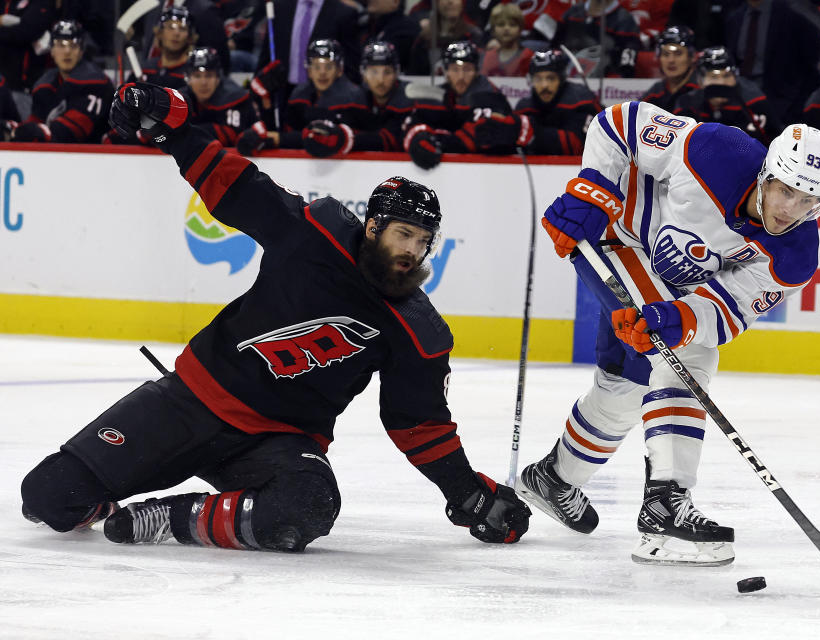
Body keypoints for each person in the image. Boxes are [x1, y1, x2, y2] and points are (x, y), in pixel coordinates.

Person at [20, 80, 532, 553]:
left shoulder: (416, 329)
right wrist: (172, 128)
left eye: (423, 243)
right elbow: (237, 188)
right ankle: (115, 486)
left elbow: (419, 425)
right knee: (48, 497)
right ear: (374, 226)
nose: (413, 251)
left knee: (308, 505)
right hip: (190, 401)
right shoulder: (315, 234)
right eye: (404, 235)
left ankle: (173, 518)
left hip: (277, 442)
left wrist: (472, 496)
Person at [517, 102, 820, 566]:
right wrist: (593, 191)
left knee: (629, 385)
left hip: (665, 281)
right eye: (787, 191)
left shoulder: (795, 255)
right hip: (612, 233)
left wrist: (682, 318)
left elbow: (728, 309)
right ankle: (665, 508)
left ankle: (554, 478)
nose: (793, 210)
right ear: (766, 174)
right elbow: (619, 123)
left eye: (810, 201)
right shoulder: (714, 150)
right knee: (686, 359)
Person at [403, 41, 531, 170]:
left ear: (476, 71)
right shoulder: (440, 95)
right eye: (455, 69)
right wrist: (417, 139)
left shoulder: (489, 95)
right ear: (446, 71)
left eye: (467, 69)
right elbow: (412, 125)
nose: (461, 77)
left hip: (493, 170)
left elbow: (477, 138)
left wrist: (437, 141)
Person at [238, 39, 367, 154]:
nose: (322, 73)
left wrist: (281, 139)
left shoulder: (353, 97)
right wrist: (265, 102)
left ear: (339, 70)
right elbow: (286, 130)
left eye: (328, 66)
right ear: (309, 70)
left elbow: (327, 138)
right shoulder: (299, 94)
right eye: (317, 67)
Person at [299, 41, 423, 157]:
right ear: (363, 73)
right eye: (374, 72)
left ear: (397, 73)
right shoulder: (352, 98)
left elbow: (392, 140)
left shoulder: (408, 97)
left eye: (387, 72)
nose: (380, 80)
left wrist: (344, 138)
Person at [12, 20, 113, 144]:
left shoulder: (96, 83)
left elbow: (69, 133)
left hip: (99, 157)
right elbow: (34, 122)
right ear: (52, 51)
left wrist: (33, 131)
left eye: (73, 45)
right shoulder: (44, 85)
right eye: (61, 45)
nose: (67, 51)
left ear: (81, 51)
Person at [675, 45, 782, 145]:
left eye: (726, 75)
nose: (721, 83)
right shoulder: (686, 104)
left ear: (736, 77)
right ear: (700, 80)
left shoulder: (755, 101)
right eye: (714, 77)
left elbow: (776, 142)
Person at [513, 49, 602, 155]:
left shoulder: (581, 101)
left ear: (561, 79)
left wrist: (528, 132)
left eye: (550, 78)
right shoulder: (525, 107)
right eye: (538, 79)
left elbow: (575, 146)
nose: (544, 85)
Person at [182, 47, 259, 147]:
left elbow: (231, 136)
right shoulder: (179, 99)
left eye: (209, 76)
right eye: (197, 76)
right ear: (188, 78)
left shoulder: (235, 98)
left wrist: (184, 133)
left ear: (218, 78)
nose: (203, 82)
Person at [640, 25, 699, 114]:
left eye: (678, 53)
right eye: (666, 54)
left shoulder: (701, 90)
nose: (671, 60)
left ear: (693, 57)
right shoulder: (656, 92)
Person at [135, 6, 197, 89]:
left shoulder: (195, 74)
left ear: (190, 38)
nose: (176, 33)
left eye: (182, 28)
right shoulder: (145, 70)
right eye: (171, 27)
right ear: (159, 33)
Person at [481, 3, 535, 77]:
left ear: (520, 29)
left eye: (512, 24)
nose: (506, 28)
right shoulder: (486, 56)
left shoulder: (529, 56)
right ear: (493, 29)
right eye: (501, 24)